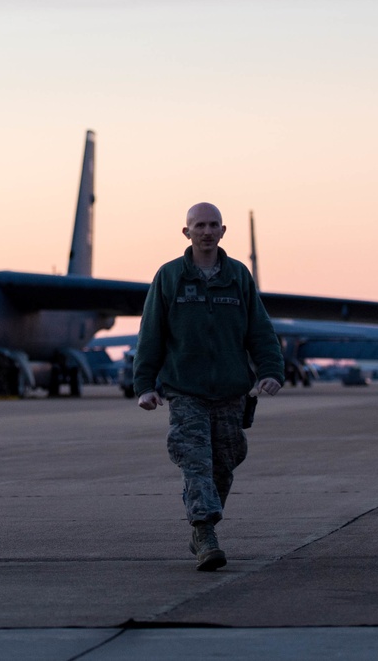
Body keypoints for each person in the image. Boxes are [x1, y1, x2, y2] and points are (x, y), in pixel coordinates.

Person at [133, 202, 284, 571]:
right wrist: (144, 385)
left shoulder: (238, 276)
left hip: (232, 392)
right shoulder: (169, 277)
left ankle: (203, 525)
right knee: (196, 462)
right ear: (186, 232)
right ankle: (204, 534)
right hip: (185, 390)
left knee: (224, 465)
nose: (206, 231)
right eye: (199, 225)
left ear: (222, 230)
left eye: (213, 224)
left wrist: (271, 370)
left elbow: (259, 329)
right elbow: (150, 334)